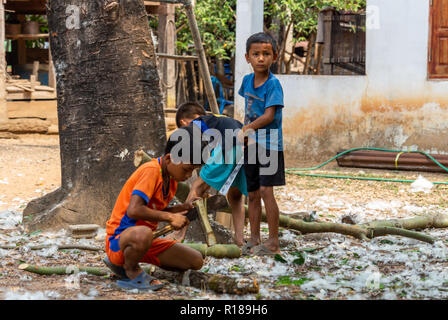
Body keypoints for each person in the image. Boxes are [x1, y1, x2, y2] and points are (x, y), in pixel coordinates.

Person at [104, 126, 206, 290]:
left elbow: (154, 211)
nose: (188, 176)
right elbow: (134, 210)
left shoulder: (171, 180)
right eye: (187, 169)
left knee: (195, 260)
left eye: (193, 171)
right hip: (119, 242)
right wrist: (171, 218)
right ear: (168, 159)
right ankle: (130, 271)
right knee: (143, 232)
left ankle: (129, 262)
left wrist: (181, 209)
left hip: (145, 241)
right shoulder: (151, 171)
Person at [173, 102, 248, 247]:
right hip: (246, 149)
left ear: (183, 122)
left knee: (196, 187)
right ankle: (239, 240)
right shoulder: (219, 120)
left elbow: (198, 155)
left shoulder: (196, 123)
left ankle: (179, 232)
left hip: (228, 146)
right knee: (235, 196)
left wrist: (202, 185)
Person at [238, 32, 285, 255]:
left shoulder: (273, 85)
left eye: (266, 54)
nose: (260, 58)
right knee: (253, 192)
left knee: (267, 191)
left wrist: (246, 129)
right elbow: (247, 108)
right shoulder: (247, 81)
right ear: (247, 57)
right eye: (256, 54)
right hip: (251, 145)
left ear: (274, 57)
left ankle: (273, 242)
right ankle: (254, 239)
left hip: (270, 145)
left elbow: (268, 116)